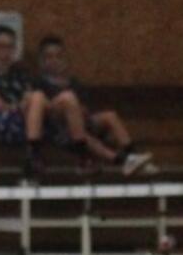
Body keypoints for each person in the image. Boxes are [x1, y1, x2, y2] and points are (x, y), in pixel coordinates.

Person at [30, 36, 156, 177]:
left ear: (64, 59)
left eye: (58, 56)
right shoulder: (39, 83)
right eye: (49, 57)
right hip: (62, 129)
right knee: (83, 132)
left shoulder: (73, 82)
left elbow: (85, 107)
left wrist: (82, 111)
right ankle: (120, 160)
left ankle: (132, 155)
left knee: (109, 116)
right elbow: (44, 110)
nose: (54, 61)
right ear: (42, 61)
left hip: (82, 121)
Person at [0, 24, 42, 175]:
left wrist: (24, 105)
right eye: (1, 46)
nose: (6, 51)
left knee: (39, 100)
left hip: (25, 120)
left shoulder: (21, 73)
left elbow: (28, 96)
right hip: (1, 123)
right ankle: (33, 154)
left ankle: (33, 155)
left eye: (10, 46)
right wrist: (19, 106)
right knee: (36, 106)